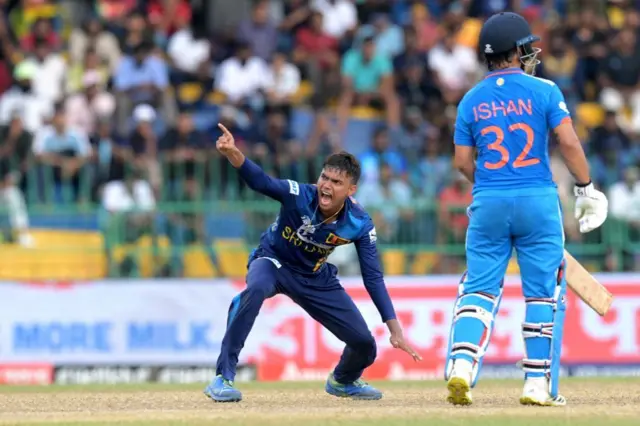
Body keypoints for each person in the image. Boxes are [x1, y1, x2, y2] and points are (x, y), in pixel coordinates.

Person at [444, 12, 608, 407]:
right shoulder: (545, 89)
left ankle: (462, 366)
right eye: (527, 47)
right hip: (538, 201)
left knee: (479, 288)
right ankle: (536, 384)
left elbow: (462, 162)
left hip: (488, 202)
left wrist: (491, 184)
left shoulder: (470, 99)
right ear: (516, 51)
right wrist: (586, 188)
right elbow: (568, 142)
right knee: (541, 294)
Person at [205, 123, 421, 403]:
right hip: (273, 261)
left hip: (314, 276)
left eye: (336, 182)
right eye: (324, 177)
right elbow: (261, 182)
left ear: (351, 189)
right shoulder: (299, 194)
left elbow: (373, 277)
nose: (326, 186)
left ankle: (343, 380)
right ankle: (223, 378)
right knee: (255, 289)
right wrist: (234, 153)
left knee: (364, 344)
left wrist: (394, 328)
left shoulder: (359, 223)